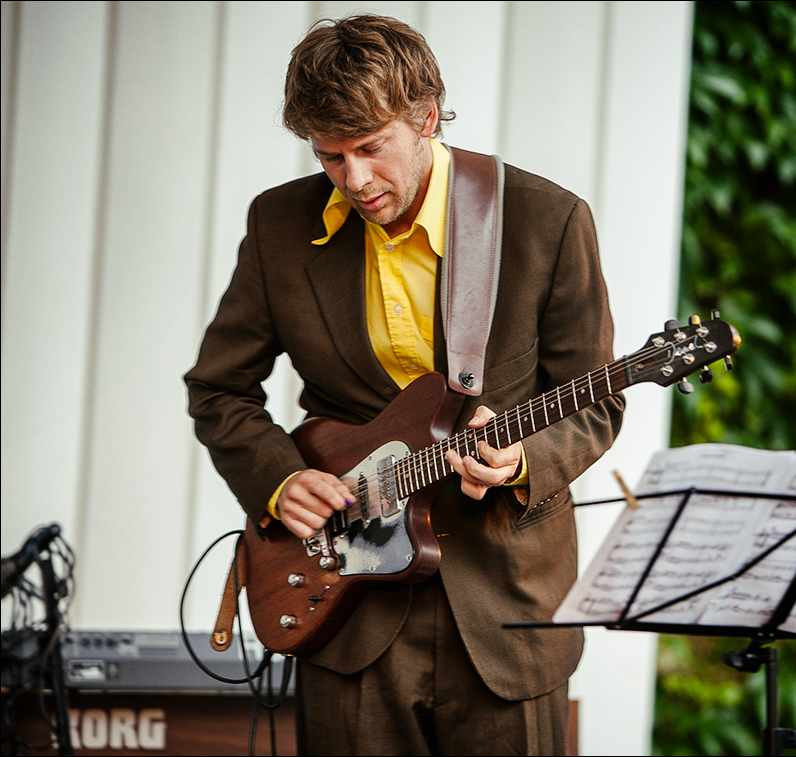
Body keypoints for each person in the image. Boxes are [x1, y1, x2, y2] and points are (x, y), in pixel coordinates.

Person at [184, 14, 624, 756]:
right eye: (330, 157)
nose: (354, 180)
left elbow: (596, 399)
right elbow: (219, 388)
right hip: (344, 605)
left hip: (505, 610)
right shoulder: (278, 225)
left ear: (425, 117)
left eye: (370, 148)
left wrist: (520, 462)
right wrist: (279, 480)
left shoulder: (547, 220)